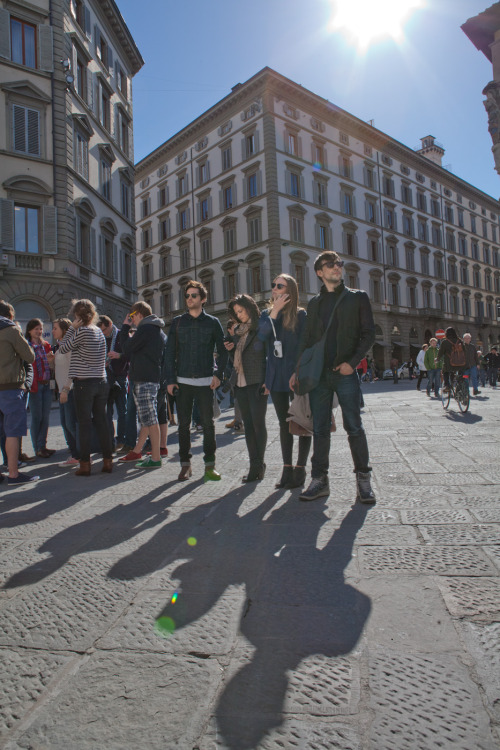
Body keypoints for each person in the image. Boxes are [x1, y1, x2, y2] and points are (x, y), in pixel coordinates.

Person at [290, 251, 376, 503]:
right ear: (320, 272)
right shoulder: (315, 303)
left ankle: (363, 480)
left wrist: (352, 363)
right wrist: (297, 370)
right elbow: (306, 340)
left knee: (354, 427)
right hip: (319, 375)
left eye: (339, 264)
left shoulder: (357, 298)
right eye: (331, 265)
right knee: (320, 429)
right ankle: (320, 480)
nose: (337, 267)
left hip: (345, 373)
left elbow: (368, 334)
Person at [164, 280, 227, 482]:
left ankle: (210, 465)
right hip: (182, 382)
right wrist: (170, 380)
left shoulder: (213, 322)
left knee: (208, 425)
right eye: (187, 296)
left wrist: (219, 375)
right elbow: (169, 353)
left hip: (205, 382)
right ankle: (185, 464)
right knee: (183, 425)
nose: (189, 299)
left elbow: (223, 351)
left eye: (193, 295)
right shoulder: (178, 322)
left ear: (203, 299)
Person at [258, 273, 311, 488]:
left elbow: (305, 346)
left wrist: (297, 372)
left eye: (279, 285)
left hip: (297, 375)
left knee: (302, 421)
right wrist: (275, 311)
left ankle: (300, 468)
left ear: (290, 291)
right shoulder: (267, 315)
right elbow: (261, 338)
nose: (274, 288)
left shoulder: (301, 315)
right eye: (273, 285)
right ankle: (287, 468)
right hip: (277, 377)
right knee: (284, 423)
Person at [58, 299, 113, 476]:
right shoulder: (99, 331)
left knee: (84, 424)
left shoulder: (80, 331)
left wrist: (72, 329)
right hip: (101, 381)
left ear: (77, 315)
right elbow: (103, 358)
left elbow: (63, 348)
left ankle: (85, 465)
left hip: (84, 384)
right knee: (102, 421)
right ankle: (107, 461)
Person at [115, 302, 166, 469]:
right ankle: (137, 450)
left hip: (144, 379)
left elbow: (127, 348)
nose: (131, 320)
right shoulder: (156, 329)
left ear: (139, 314)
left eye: (132, 316)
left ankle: (156, 457)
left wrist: (124, 328)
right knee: (146, 417)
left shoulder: (146, 329)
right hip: (150, 378)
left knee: (150, 418)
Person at [225, 294, 268, 482]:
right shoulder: (237, 332)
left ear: (249, 308)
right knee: (248, 426)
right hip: (240, 382)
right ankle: (255, 465)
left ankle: (258, 465)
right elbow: (237, 359)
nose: (239, 315)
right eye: (236, 313)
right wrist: (230, 349)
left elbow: (268, 355)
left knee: (258, 424)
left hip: (257, 380)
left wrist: (268, 380)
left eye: (241, 311)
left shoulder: (261, 326)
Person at [0, 300, 39, 485]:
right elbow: (29, 356)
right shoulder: (11, 330)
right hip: (10, 387)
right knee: (12, 433)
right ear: (10, 315)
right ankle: (14, 474)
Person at [48, 318, 79, 466]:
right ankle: (75, 454)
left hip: (69, 390)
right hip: (62, 390)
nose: (52, 331)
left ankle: (80, 455)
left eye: (55, 328)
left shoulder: (69, 346)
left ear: (64, 331)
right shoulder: (59, 346)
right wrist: (51, 361)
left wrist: (66, 389)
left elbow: (73, 369)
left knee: (71, 424)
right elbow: (60, 368)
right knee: (66, 424)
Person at [97, 315, 129, 450]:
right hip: (106, 378)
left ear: (110, 324)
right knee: (107, 412)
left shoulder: (123, 335)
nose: (103, 333)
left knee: (122, 411)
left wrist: (118, 355)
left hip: (120, 377)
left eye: (104, 330)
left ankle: (122, 439)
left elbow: (130, 354)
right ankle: (110, 440)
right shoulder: (99, 337)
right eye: (101, 331)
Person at [25, 318, 55, 458]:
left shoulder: (46, 345)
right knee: (37, 417)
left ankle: (43, 446)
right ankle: (37, 447)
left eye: (40, 328)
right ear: (30, 330)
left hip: (47, 384)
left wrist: (51, 361)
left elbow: (51, 367)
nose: (39, 331)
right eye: (36, 329)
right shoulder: (27, 346)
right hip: (35, 386)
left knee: (45, 417)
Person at [438, 327, 465, 392]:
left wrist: (437, 358)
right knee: (460, 375)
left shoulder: (445, 342)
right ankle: (460, 386)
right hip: (460, 363)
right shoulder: (460, 341)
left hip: (449, 363)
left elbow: (440, 352)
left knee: (445, 371)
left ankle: (447, 385)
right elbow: (464, 350)